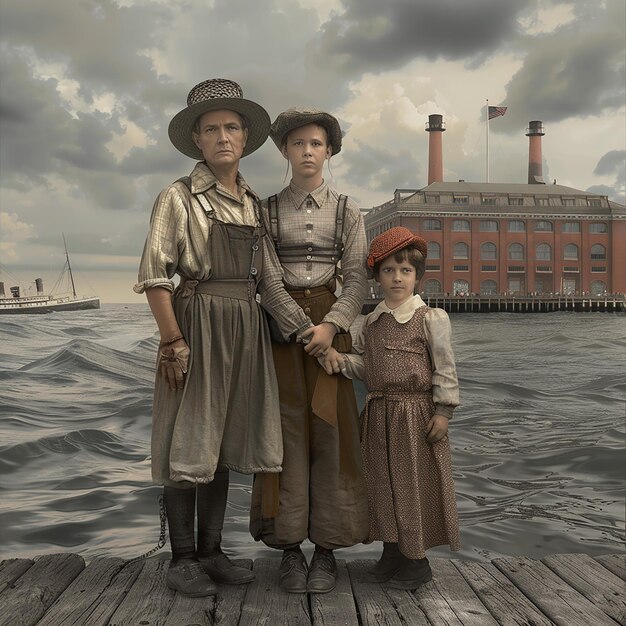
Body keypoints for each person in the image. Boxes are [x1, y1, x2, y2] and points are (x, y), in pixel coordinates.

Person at [134, 79, 318, 597]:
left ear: (245, 138)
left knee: (221, 441)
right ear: (196, 138)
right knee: (186, 438)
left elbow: (270, 281)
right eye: (211, 128)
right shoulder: (176, 196)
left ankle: (213, 551)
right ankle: (182, 558)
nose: (222, 136)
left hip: (245, 327)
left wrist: (311, 332)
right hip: (196, 324)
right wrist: (173, 342)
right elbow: (154, 276)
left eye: (231, 127)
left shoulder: (253, 203)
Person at [249, 108, 369, 594]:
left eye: (315, 144)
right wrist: (304, 329)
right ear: (284, 150)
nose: (307, 152)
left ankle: (327, 548)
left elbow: (358, 277)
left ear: (329, 150)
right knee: (284, 433)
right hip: (284, 332)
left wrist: (332, 325)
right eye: (297, 144)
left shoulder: (348, 210)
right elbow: (266, 279)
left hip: (331, 324)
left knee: (332, 433)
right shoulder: (266, 210)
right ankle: (289, 549)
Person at [320, 226, 461, 589]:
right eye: (388, 270)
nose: (397, 278)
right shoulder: (372, 320)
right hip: (379, 414)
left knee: (412, 485)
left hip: (415, 415)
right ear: (376, 276)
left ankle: (417, 561)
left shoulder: (430, 318)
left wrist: (443, 412)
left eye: (405, 271)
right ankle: (391, 553)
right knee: (381, 484)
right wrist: (338, 358)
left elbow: (445, 369)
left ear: (417, 276)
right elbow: (367, 367)